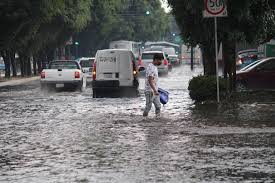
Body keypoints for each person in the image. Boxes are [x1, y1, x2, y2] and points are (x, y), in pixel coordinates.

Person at [143, 53, 162, 117]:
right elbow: (150, 80)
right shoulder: (150, 67)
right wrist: (155, 90)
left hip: (154, 91)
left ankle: (158, 118)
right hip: (149, 91)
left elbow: (154, 80)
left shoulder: (155, 67)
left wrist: (157, 89)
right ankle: (144, 119)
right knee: (148, 106)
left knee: (158, 106)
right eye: (160, 60)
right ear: (156, 59)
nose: (161, 62)